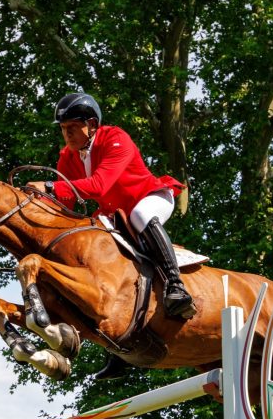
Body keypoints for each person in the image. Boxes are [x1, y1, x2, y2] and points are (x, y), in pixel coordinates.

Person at [29, 93, 196, 328]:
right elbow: (64, 206)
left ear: (92, 124)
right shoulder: (67, 157)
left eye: (72, 127)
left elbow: (99, 185)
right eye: (63, 128)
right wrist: (37, 209)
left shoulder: (116, 138)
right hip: (114, 213)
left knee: (140, 215)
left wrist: (48, 186)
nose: (67, 134)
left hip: (149, 197)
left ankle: (175, 285)